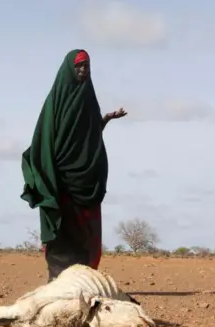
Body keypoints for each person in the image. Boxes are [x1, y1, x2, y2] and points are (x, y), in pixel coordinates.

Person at [20, 49, 127, 282]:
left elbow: (88, 136)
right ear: (69, 69)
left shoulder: (89, 99)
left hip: (85, 179)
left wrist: (106, 119)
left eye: (87, 67)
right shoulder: (56, 99)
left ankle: (83, 279)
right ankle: (57, 278)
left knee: (84, 231)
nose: (83, 71)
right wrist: (47, 172)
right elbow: (44, 137)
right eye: (79, 67)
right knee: (63, 229)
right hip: (61, 179)